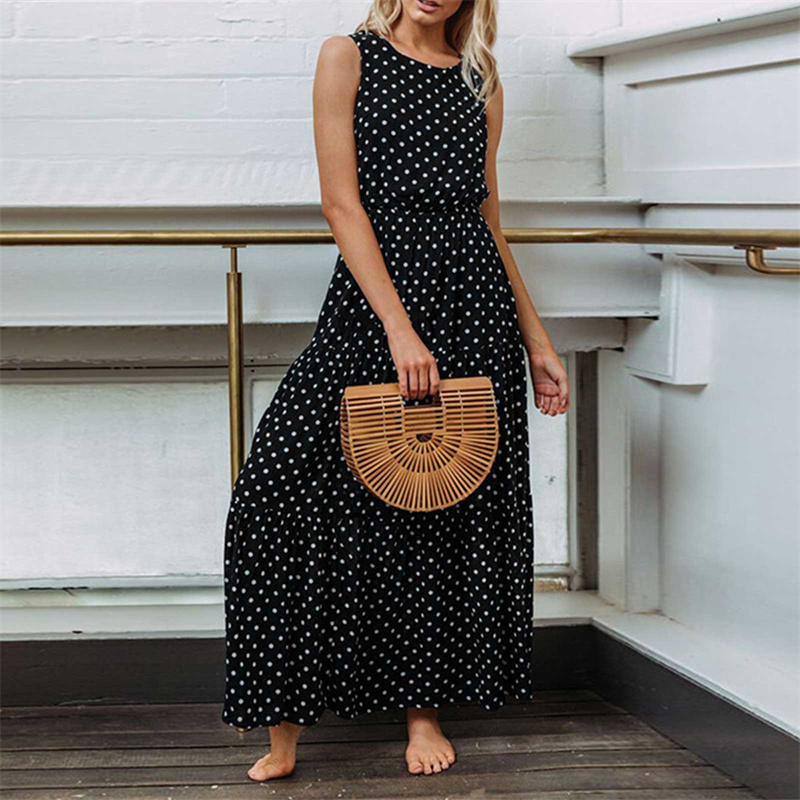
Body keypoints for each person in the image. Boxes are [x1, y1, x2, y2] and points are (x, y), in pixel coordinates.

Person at [221, 0, 570, 782]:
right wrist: (399, 330)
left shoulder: (481, 79)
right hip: (377, 304)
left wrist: (538, 341)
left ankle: (423, 710)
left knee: (438, 508)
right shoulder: (347, 56)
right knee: (277, 497)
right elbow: (341, 203)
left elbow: (488, 219)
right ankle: (284, 724)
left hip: (472, 307)